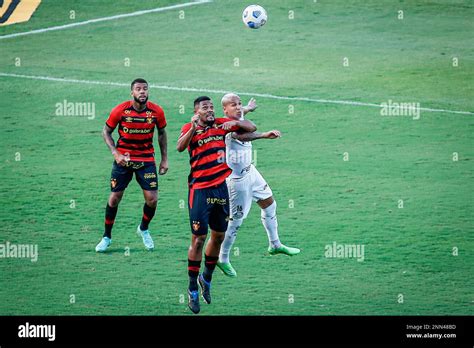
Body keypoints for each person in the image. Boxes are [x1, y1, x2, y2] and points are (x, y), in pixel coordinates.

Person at [177, 96, 256, 314]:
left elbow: (251, 127)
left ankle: (207, 278)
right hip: (200, 190)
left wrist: (236, 122)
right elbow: (180, 147)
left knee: (219, 236)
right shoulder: (189, 128)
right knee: (199, 238)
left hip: (220, 189)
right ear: (196, 112)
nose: (210, 110)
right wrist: (193, 128)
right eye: (205, 108)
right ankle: (192, 288)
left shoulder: (221, 124)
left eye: (212, 107)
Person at [217, 93, 300, 277]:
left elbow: (242, 115)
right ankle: (222, 258)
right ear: (225, 109)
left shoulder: (238, 117)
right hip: (237, 181)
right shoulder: (227, 127)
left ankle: (275, 244)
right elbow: (245, 136)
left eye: (239, 104)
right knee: (235, 222)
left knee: (270, 204)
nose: (238, 108)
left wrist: (248, 107)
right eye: (233, 105)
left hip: (250, 171)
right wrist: (264, 135)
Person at [95, 78, 168, 252]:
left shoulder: (156, 111)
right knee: (114, 198)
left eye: (145, 89)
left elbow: (162, 132)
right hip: (124, 160)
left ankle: (143, 229)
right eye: (138, 89)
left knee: (152, 199)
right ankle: (106, 237)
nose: (142, 92)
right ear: (132, 93)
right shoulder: (121, 110)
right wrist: (115, 153)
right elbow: (105, 131)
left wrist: (164, 158)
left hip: (146, 160)